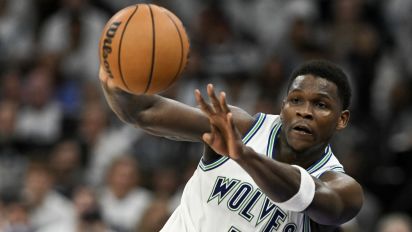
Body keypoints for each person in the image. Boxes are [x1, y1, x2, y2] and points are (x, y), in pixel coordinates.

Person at [99, 60, 363, 231]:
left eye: (321, 105)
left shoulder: (343, 189)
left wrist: (245, 156)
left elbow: (308, 196)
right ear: (283, 107)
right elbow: (145, 112)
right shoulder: (240, 127)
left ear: (342, 119)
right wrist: (113, 73)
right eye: (296, 100)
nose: (305, 112)